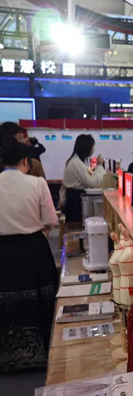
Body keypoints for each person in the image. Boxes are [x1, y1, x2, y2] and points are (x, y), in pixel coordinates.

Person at [0, 139, 58, 370]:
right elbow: (50, 220)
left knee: (7, 303)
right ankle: (40, 354)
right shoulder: (37, 183)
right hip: (33, 248)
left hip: (3, 251)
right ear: (26, 161)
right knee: (39, 302)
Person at [62, 134, 107, 224]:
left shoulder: (77, 161)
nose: (93, 149)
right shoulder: (76, 163)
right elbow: (92, 183)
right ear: (86, 147)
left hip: (74, 197)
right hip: (75, 199)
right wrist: (99, 165)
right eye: (92, 146)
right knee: (75, 225)